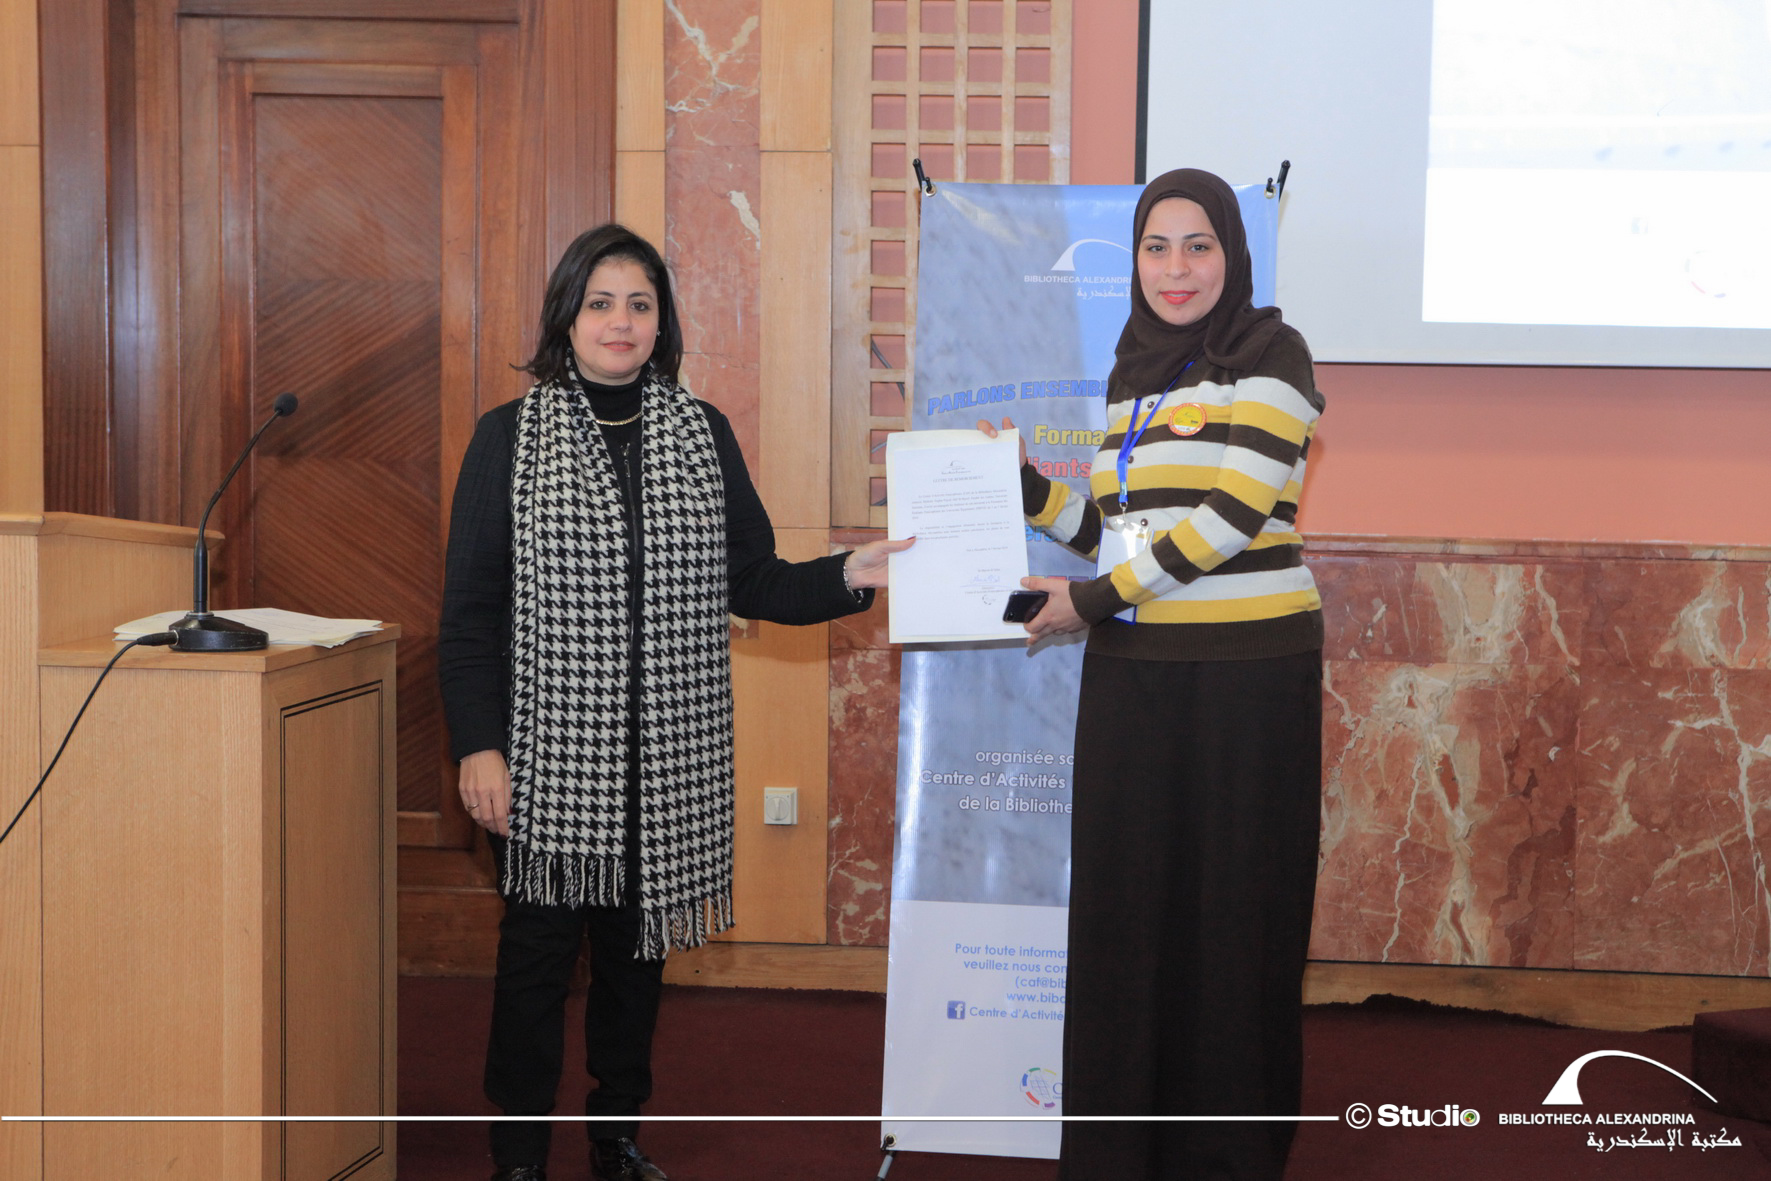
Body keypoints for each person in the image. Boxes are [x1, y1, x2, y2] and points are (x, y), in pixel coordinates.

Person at [439, 223, 908, 1181]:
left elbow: (755, 578)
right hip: (546, 761)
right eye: (600, 303)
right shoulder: (507, 438)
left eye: (639, 304)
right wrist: (479, 745)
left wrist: (848, 573)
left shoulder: (702, 432)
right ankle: (518, 1156)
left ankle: (615, 1135)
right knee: (533, 965)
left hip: (668, 762)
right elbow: (468, 615)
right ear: (566, 316)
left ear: (662, 323)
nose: (620, 321)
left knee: (635, 961)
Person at [979, 168, 1325, 1179]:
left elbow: (1230, 518)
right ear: (1132, 260)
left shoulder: (1273, 354)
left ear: (1231, 254)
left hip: (1247, 680)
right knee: (1126, 917)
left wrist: (1089, 603)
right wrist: (1028, 488)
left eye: (1198, 245)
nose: (1176, 268)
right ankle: (1122, 1150)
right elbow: (1121, 533)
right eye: (1155, 247)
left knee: (1233, 918)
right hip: (1135, 674)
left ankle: (1224, 1154)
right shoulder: (1133, 374)